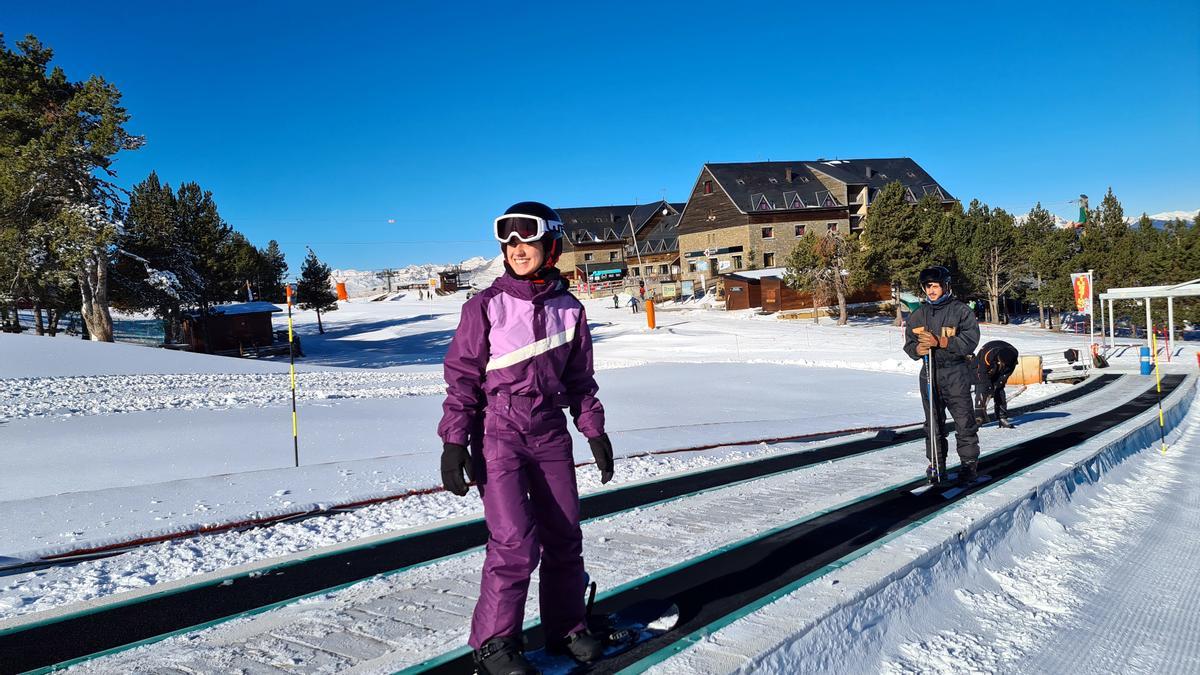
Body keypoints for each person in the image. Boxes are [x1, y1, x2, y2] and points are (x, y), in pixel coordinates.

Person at [438, 201, 613, 674]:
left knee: (563, 535)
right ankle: (496, 643)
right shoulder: (485, 306)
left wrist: (593, 429)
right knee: (514, 542)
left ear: (551, 244)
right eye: (509, 240)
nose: (517, 248)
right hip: (499, 431)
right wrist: (455, 442)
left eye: (527, 238)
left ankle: (565, 627)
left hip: (551, 431)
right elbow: (462, 379)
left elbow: (579, 379)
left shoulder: (569, 309)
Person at [903, 266, 981, 486]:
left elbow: (970, 340)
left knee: (964, 421)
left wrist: (942, 342)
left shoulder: (960, 311)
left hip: (955, 372)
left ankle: (968, 465)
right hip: (929, 373)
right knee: (933, 423)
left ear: (945, 286)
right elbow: (909, 343)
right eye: (928, 286)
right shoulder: (918, 314)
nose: (931, 290)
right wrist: (916, 350)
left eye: (935, 286)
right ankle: (937, 464)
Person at [973, 340, 1018, 428]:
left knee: (999, 388)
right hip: (985, 364)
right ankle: (978, 416)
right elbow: (982, 374)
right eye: (1002, 363)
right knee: (982, 387)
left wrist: (998, 385)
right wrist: (989, 388)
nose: (1003, 365)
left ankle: (1002, 417)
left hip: (1003, 357)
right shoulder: (987, 355)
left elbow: (1006, 374)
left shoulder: (1012, 357)